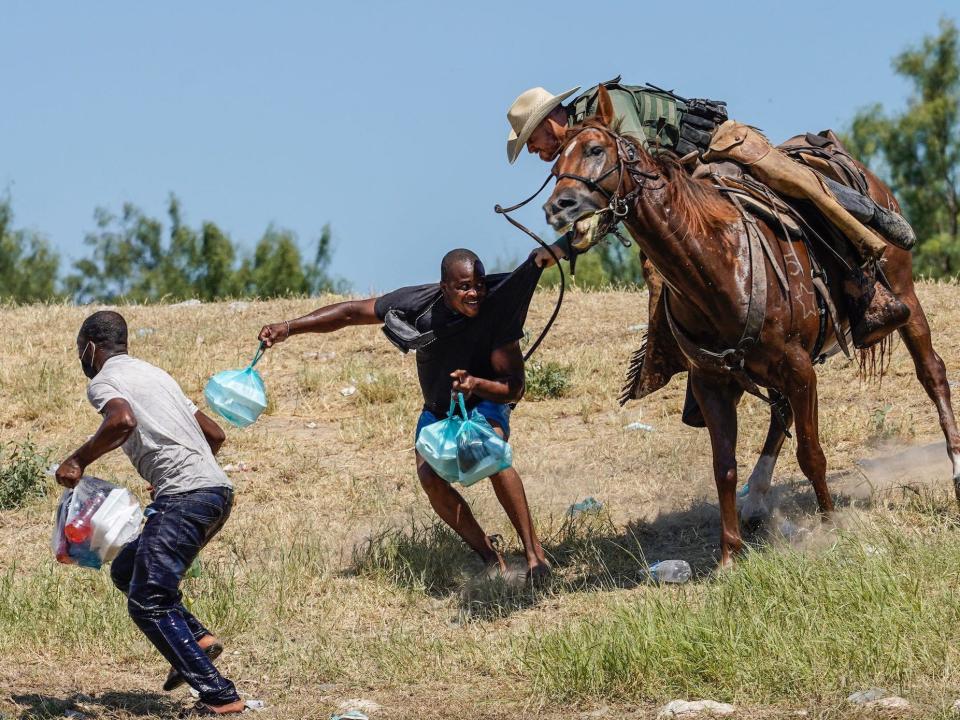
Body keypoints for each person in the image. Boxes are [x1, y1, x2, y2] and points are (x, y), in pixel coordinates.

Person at [506, 78, 916, 349]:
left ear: (551, 120)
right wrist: (563, 245)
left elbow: (636, 171)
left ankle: (867, 268)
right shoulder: (580, 150)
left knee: (795, 188)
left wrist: (568, 242)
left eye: (532, 139)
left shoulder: (605, 108)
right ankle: (693, 354)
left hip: (716, 149)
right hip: (683, 184)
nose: (532, 151)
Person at [258, 249, 552, 581]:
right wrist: (289, 327)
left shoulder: (496, 313)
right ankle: (489, 556)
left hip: (483, 402)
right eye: (465, 286)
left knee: (490, 453)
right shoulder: (418, 303)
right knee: (430, 479)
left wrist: (476, 384)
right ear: (444, 287)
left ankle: (534, 556)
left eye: (480, 285)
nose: (475, 294)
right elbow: (352, 313)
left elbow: (515, 388)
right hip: (438, 411)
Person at [56, 311, 245, 717]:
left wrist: (78, 460)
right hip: (216, 492)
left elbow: (121, 420)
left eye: (79, 350)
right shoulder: (156, 374)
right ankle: (197, 639)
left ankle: (220, 697)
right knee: (126, 569)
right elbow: (215, 433)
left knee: (148, 601)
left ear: (90, 346)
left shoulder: (105, 380)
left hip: (186, 497)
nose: (81, 359)